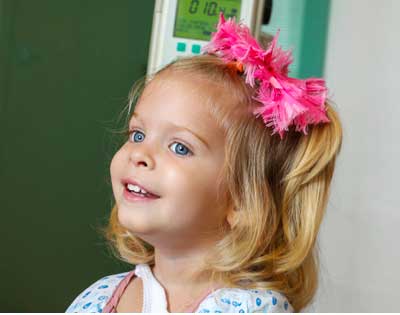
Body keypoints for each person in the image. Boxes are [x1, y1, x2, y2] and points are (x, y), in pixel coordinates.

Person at [65, 13, 343, 313]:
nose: (139, 154)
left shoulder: (253, 309)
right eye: (137, 134)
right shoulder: (98, 298)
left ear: (242, 202)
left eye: (180, 147)